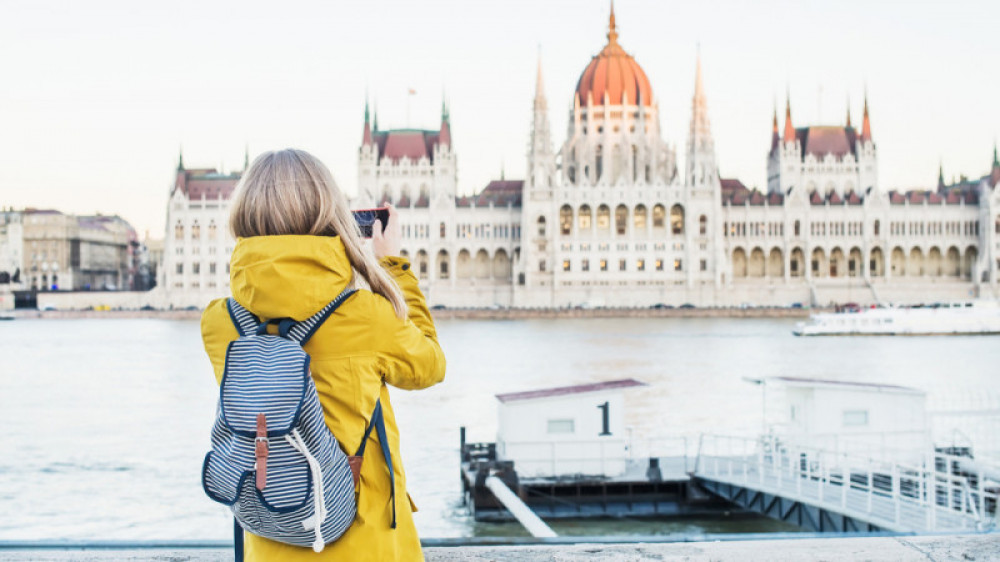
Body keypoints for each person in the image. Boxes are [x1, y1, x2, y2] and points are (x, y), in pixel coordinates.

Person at [200, 148, 446, 561]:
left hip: (273, 535)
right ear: (328, 214)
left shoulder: (220, 323)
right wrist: (392, 266)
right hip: (363, 545)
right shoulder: (366, 316)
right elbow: (430, 365)